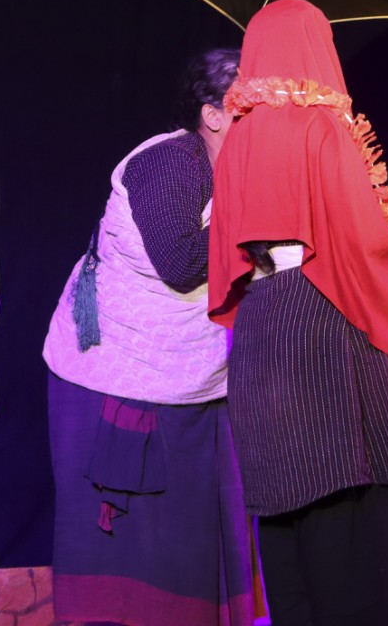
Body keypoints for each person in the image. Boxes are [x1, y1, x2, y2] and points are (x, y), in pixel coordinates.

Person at [207, 0, 388, 626]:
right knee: (342, 493)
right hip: (321, 311)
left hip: (261, 321)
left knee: (284, 512)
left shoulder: (237, 139)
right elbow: (360, 241)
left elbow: (224, 260)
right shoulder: (321, 126)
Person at [41, 49, 254, 625]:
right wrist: (259, 225)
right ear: (213, 114)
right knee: (128, 549)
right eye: (249, 106)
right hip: (115, 375)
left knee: (187, 545)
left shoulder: (238, 172)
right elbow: (181, 264)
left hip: (192, 377)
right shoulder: (171, 162)